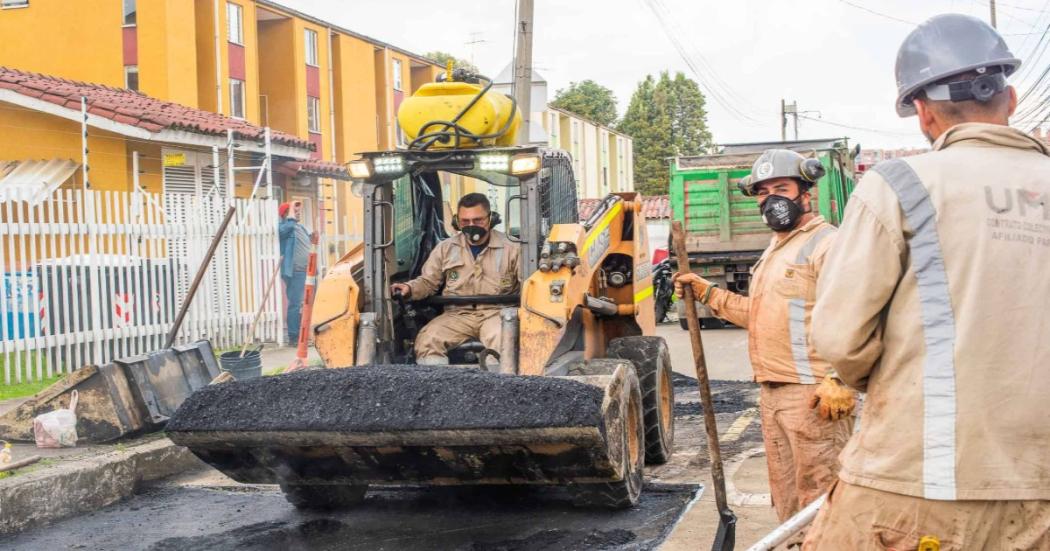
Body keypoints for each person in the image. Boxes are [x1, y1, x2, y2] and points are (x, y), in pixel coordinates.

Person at [804, 14, 1050, 549]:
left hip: (922, 478)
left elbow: (840, 337)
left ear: (922, 112)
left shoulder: (900, 185)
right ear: (1008, 97)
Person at [674, 150, 857, 542]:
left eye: (781, 188)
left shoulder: (829, 244)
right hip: (773, 395)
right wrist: (707, 292)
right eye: (762, 191)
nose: (770, 198)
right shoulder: (776, 248)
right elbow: (760, 316)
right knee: (789, 505)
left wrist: (841, 377)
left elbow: (859, 314)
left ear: (805, 193)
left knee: (822, 501)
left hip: (815, 398)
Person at [391, 193, 520, 365]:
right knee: (428, 339)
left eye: (478, 220)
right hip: (457, 314)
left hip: (497, 313)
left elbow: (529, 286)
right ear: (457, 222)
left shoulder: (513, 248)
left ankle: (497, 387)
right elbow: (428, 282)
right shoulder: (445, 248)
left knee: (502, 340)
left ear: (491, 219)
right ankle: (438, 388)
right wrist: (410, 288)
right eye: (465, 221)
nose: (471, 226)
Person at [278, 201, 310, 345]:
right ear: (286, 214)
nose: (298, 213)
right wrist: (291, 209)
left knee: (303, 304)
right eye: (294, 211)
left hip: (305, 270)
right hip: (294, 271)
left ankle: (301, 335)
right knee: (295, 304)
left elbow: (307, 241)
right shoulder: (285, 226)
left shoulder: (300, 227)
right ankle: (293, 337)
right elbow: (286, 229)